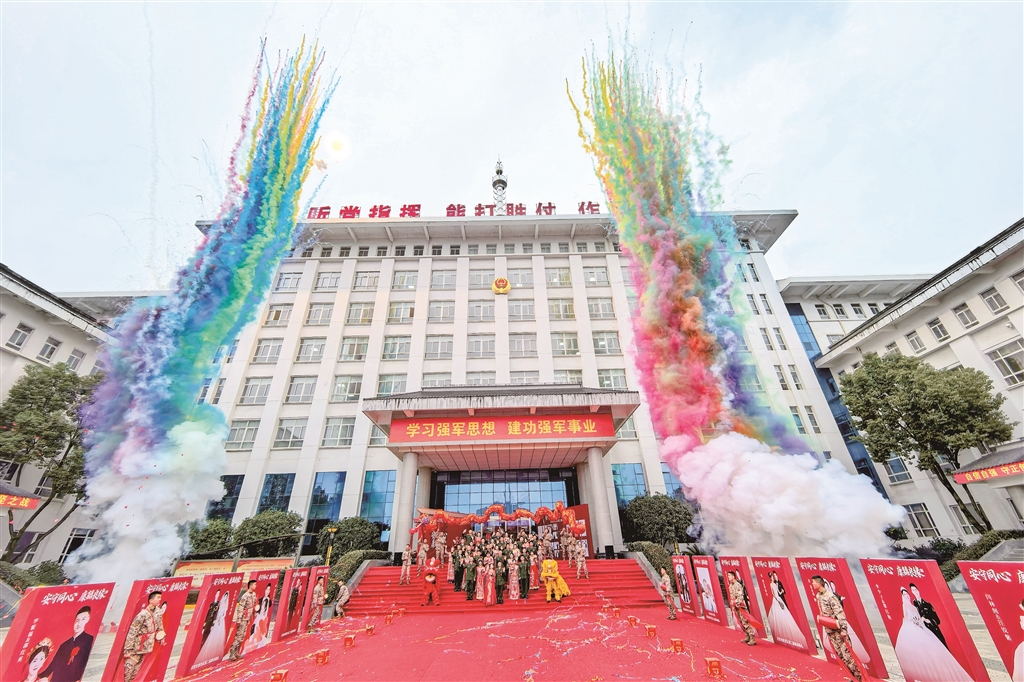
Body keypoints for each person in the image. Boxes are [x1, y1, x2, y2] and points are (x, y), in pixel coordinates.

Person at [894, 586, 971, 681]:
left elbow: (933, 619)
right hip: (913, 627)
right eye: (904, 594)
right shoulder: (907, 605)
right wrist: (914, 622)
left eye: (907, 594)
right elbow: (905, 617)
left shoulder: (918, 605)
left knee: (936, 647)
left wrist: (923, 620)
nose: (906, 596)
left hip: (925, 627)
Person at [810, 576, 860, 680]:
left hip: (838, 630)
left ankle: (859, 678)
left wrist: (843, 630)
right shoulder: (818, 596)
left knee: (848, 656)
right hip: (830, 630)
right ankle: (852, 677)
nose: (812, 584)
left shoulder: (830, 596)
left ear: (819, 583)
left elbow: (840, 613)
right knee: (841, 656)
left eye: (813, 582)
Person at [39, 605, 94, 682]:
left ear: (87, 619)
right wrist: (39, 676)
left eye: (83, 619)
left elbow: (87, 662)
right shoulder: (64, 644)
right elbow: (53, 664)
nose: (79, 623)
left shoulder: (89, 639)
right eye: (77, 620)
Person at [122, 590, 167, 682]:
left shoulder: (158, 612)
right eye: (158, 597)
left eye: (160, 598)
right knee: (129, 667)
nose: (159, 599)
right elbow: (133, 631)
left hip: (148, 644)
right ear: (151, 600)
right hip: (137, 645)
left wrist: (162, 636)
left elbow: (160, 626)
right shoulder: (143, 614)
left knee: (137, 668)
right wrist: (128, 648)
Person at [766, 572, 806, 650]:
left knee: (785, 612)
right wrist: (777, 600)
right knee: (777, 613)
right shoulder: (771, 584)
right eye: (772, 577)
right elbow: (773, 593)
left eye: (774, 576)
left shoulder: (778, 583)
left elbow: (781, 591)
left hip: (780, 598)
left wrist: (781, 592)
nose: (773, 578)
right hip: (776, 599)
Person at [195, 589, 229, 665]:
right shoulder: (212, 604)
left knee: (211, 637)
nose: (217, 595)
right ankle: (201, 651)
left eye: (219, 594)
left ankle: (210, 653)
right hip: (208, 622)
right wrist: (204, 624)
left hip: (215, 623)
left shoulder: (219, 605)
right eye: (217, 594)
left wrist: (216, 622)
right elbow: (208, 614)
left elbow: (220, 614)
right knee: (204, 637)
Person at [909, 583, 947, 649]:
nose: (915, 592)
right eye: (913, 590)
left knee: (942, 647)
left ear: (918, 590)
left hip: (933, 629)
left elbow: (937, 620)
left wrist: (928, 620)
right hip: (924, 631)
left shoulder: (927, 604)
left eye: (916, 589)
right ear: (912, 592)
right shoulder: (913, 604)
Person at [227, 580, 257, 661]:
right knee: (239, 635)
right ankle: (232, 653)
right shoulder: (245, 596)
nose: (255, 586)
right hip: (243, 618)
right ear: (250, 586)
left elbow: (254, 605)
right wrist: (239, 619)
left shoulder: (253, 594)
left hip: (248, 618)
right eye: (254, 584)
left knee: (242, 636)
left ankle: (237, 652)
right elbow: (240, 608)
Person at [728, 572, 757, 646]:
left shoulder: (737, 585)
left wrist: (735, 602)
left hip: (741, 606)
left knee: (745, 622)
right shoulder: (730, 585)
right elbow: (732, 596)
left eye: (729, 575)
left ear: (733, 576)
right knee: (740, 622)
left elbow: (740, 597)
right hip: (735, 606)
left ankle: (752, 638)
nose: (728, 577)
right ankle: (747, 636)